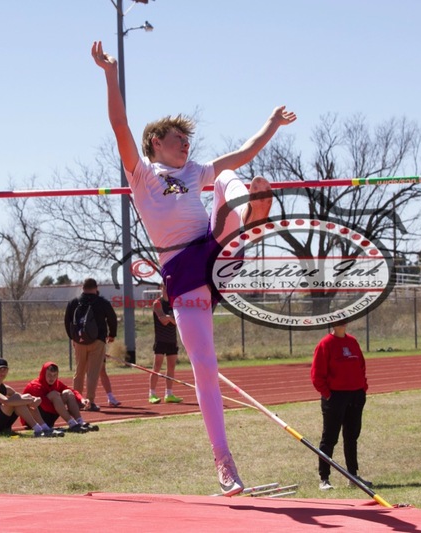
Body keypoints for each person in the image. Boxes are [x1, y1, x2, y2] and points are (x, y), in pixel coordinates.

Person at [92, 40, 296, 496]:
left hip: (214, 246)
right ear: (155, 145)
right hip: (183, 271)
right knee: (204, 365)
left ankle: (250, 213)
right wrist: (109, 72)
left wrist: (271, 125)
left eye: (189, 140)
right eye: (177, 139)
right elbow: (120, 124)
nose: (186, 144)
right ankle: (223, 461)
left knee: (226, 176)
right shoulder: (141, 174)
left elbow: (241, 155)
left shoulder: (195, 171)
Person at [310, 320, 372, 490]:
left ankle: (353, 476)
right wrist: (328, 395)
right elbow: (317, 374)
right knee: (329, 438)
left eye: (344, 321)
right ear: (332, 324)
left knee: (351, 437)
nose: (342, 324)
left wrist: (362, 388)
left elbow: (361, 366)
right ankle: (324, 479)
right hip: (335, 397)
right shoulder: (325, 344)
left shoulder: (352, 341)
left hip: (356, 395)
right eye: (338, 322)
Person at [64, 278, 118, 412]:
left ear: (83, 288)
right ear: (96, 288)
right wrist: (112, 334)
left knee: (79, 371)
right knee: (93, 373)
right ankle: (90, 402)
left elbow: (67, 321)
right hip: (97, 341)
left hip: (79, 341)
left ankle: (76, 401)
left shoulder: (74, 302)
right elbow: (112, 318)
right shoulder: (102, 302)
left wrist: (73, 338)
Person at [0, 358, 64, 438]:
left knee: (20, 398)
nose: (2, 372)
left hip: (1, 423)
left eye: (4, 369)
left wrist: (34, 399)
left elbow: (20, 397)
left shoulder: (4, 388)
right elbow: (6, 402)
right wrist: (30, 401)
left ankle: (44, 428)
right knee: (16, 401)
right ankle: (38, 430)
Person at [22, 361, 99, 433]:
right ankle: (72, 424)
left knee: (68, 393)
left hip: (49, 417)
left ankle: (80, 421)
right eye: (49, 375)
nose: (52, 378)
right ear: (43, 374)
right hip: (33, 420)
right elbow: (45, 406)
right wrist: (64, 411)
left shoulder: (56, 383)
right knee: (54, 394)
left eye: (54, 375)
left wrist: (82, 399)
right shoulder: (35, 385)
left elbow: (71, 391)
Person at [149, 283, 182, 404]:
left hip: (172, 340)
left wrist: (168, 318)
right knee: (156, 367)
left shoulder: (175, 303)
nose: (167, 290)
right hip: (160, 339)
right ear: (161, 288)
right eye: (165, 288)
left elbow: (178, 322)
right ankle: (152, 394)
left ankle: (169, 393)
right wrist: (169, 317)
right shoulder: (157, 303)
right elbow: (163, 320)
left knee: (171, 367)